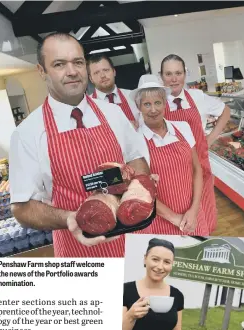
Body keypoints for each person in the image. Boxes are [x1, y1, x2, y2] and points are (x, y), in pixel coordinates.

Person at [9, 32, 150, 258]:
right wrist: (70, 218)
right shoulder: (27, 134)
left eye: (78, 62)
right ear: (41, 71)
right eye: (59, 64)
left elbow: (136, 157)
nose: (72, 71)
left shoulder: (113, 114)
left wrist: (139, 187)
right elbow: (22, 207)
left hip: (131, 238)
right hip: (77, 248)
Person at [160, 54, 230, 233]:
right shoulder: (158, 103)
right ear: (161, 76)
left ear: (185, 74)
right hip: (174, 175)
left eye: (178, 73)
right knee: (183, 222)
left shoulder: (197, 97)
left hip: (201, 168)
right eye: (168, 74)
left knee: (207, 218)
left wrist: (211, 138)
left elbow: (225, 111)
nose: (174, 79)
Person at [131, 74, 209, 235]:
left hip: (193, 216)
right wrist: (175, 219)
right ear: (138, 107)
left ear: (166, 103)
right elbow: (141, 191)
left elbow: (196, 170)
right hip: (160, 222)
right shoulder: (135, 140)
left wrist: (194, 211)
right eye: (147, 104)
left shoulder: (183, 128)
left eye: (158, 102)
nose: (153, 109)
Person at [122, 238, 183, 330]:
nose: (160, 267)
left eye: (167, 262)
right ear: (145, 259)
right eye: (155, 259)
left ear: (172, 265)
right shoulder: (126, 290)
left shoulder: (177, 295)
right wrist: (130, 316)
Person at [87, 54, 139, 128]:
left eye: (106, 70)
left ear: (114, 72)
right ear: (91, 78)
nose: (102, 76)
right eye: (96, 73)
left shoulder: (133, 96)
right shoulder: (87, 105)